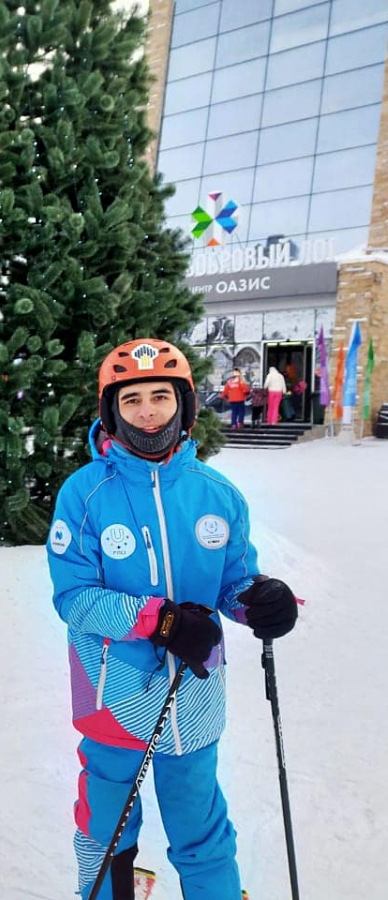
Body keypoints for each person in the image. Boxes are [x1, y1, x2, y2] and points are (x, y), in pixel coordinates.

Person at [46, 338, 298, 900]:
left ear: (184, 404)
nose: (148, 411)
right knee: (107, 831)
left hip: (195, 694)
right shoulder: (85, 494)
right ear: (111, 410)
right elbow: (75, 598)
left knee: (201, 832)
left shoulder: (217, 494)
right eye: (131, 399)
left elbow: (235, 580)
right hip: (112, 695)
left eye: (161, 396)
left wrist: (261, 600)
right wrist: (160, 622)